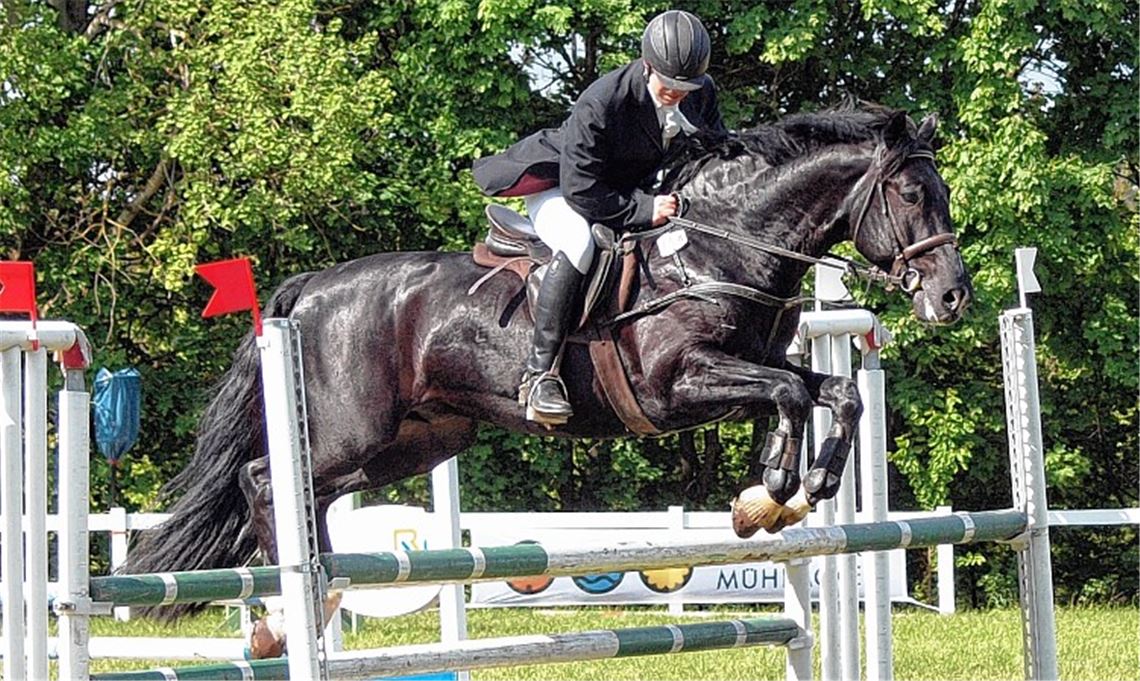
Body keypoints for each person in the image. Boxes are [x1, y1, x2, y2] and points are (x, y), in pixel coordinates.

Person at [473, 9, 727, 425]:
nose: (677, 94)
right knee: (579, 244)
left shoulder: (699, 91)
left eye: (686, 87)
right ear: (648, 65)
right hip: (563, 187)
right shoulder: (602, 100)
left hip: (626, 189)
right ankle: (539, 376)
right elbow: (582, 190)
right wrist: (647, 208)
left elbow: (715, 148)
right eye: (670, 85)